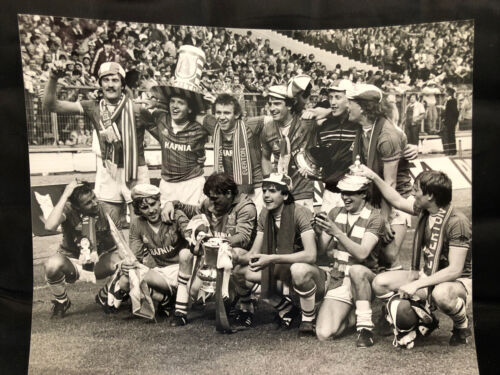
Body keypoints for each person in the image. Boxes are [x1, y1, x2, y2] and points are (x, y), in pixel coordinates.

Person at [357, 166, 472, 347]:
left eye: (416, 189)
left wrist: (416, 284)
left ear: (430, 196)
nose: (412, 192)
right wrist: (372, 176)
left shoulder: (457, 222)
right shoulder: (425, 210)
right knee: (379, 282)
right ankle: (422, 317)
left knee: (441, 294)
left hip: (459, 282)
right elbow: (396, 199)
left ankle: (461, 325)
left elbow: (455, 270)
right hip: (427, 275)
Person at [43, 60, 152, 229]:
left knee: (143, 228)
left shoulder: (138, 109)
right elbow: (51, 105)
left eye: (115, 80)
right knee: (109, 227)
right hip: (108, 171)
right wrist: (52, 78)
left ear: (122, 84)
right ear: (100, 83)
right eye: (106, 80)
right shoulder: (93, 107)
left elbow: (165, 136)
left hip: (135, 171)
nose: (110, 85)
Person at [291, 173, 383, 346]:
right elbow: (320, 253)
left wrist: (336, 232)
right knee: (324, 334)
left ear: (363, 194)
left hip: (363, 278)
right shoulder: (335, 213)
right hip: (338, 278)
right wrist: (315, 231)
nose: (345, 197)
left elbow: (362, 254)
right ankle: (350, 317)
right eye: (343, 193)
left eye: (351, 193)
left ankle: (365, 328)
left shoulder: (375, 217)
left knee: (356, 270)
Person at [162, 172, 258, 320]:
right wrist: (172, 204)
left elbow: (243, 238)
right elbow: (191, 210)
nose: (211, 205)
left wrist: (212, 243)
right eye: (210, 199)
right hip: (212, 256)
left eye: (214, 199)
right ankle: (180, 312)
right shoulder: (211, 202)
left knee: (234, 253)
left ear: (228, 193)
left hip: (238, 260)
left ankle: (246, 303)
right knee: (188, 269)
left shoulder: (245, 207)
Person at [231, 173, 317, 329]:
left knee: (298, 270)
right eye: (264, 191)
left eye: (272, 191)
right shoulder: (264, 214)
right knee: (238, 271)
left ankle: (308, 318)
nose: (266, 195)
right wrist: (232, 255)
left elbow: (311, 255)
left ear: (285, 195)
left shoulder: (300, 212)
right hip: (281, 269)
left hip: (307, 274)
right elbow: (253, 254)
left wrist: (271, 259)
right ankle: (286, 308)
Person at [349, 84, 413, 272]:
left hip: (395, 198)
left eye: (351, 103)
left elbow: (390, 183)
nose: (347, 107)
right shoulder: (362, 128)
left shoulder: (387, 135)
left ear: (362, 108)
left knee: (389, 254)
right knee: (368, 253)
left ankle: (399, 295)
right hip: (373, 197)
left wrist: (384, 220)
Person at [117, 184, 195, 326]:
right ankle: (164, 298)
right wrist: (126, 264)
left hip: (185, 270)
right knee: (127, 276)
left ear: (160, 202)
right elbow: (136, 257)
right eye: (144, 208)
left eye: (153, 204)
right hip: (162, 274)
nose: (151, 210)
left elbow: (190, 235)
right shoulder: (137, 224)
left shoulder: (174, 214)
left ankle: (176, 300)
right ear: (138, 210)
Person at [43, 180, 122, 318]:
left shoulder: (108, 210)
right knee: (51, 265)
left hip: (99, 262)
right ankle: (62, 301)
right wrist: (65, 195)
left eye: (94, 197)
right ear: (76, 206)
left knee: (124, 261)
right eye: (88, 203)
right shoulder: (68, 209)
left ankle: (104, 295)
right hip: (72, 263)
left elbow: (121, 245)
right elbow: (49, 226)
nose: (95, 203)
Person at [148, 45, 213, 206]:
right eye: (172, 101)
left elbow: (221, 128)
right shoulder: (160, 119)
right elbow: (142, 116)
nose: (175, 106)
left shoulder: (199, 127)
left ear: (190, 108)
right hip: (166, 185)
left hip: (192, 184)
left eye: (181, 103)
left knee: (191, 226)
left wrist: (212, 106)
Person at [260, 85, 316, 212]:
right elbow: (265, 157)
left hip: (303, 189)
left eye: (277, 104)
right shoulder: (267, 128)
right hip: (278, 191)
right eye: (270, 104)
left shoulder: (306, 124)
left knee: (304, 229)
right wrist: (269, 180)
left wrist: (316, 112)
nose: (272, 108)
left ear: (289, 105)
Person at [211, 93, 267, 213]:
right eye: (218, 112)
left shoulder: (250, 125)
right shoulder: (213, 126)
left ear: (236, 114)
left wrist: (317, 111)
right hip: (229, 191)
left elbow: (275, 118)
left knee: (255, 228)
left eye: (226, 113)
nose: (221, 117)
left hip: (255, 188)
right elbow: (194, 116)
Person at [439, 87, 459, 155]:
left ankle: (453, 151)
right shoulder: (449, 100)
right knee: (449, 136)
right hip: (448, 121)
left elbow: (455, 112)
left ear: (449, 93)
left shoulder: (452, 100)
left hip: (451, 121)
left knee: (451, 136)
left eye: (446, 92)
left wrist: (453, 121)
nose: (445, 93)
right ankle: (451, 150)